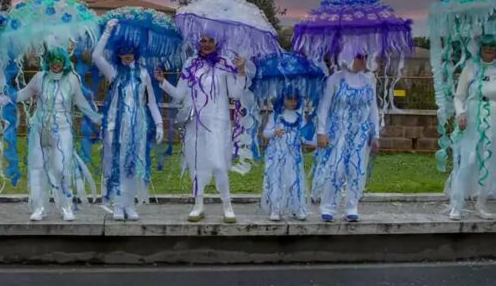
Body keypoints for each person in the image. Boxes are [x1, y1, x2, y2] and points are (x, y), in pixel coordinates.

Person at [154, 36, 250, 223]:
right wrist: (163, 81)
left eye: (210, 41)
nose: (206, 44)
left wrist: (241, 71)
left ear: (217, 43)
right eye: (203, 41)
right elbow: (180, 94)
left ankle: (227, 205)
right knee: (197, 164)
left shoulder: (225, 63)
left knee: (219, 164)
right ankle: (198, 204)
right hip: (195, 124)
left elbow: (236, 94)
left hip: (218, 123)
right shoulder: (191, 63)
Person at [14, 47, 102, 222]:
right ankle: (40, 207)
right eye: (52, 60)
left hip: (63, 130)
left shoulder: (72, 79)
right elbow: (22, 94)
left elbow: (82, 104)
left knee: (62, 168)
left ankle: (65, 205)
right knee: (39, 168)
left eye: (59, 60)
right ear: (48, 62)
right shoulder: (40, 78)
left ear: (64, 62)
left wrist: (100, 119)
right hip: (40, 131)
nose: (56, 64)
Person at [93, 20, 164, 220]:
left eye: (130, 51)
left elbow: (150, 102)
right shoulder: (113, 72)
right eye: (123, 51)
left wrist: (159, 124)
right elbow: (96, 56)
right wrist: (107, 31)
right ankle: (116, 205)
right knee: (116, 163)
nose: (127, 54)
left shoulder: (143, 74)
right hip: (115, 126)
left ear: (135, 52)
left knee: (133, 164)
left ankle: (129, 205)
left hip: (138, 126)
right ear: (118, 53)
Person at [447, 35, 496, 220]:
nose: (488, 49)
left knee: (489, 160)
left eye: (492, 46)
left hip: (495, 119)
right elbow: (459, 96)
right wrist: (461, 113)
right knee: (468, 160)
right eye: (485, 46)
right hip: (472, 118)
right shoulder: (470, 68)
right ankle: (457, 204)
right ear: (480, 49)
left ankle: (481, 203)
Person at [311, 54, 380, 222]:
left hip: (360, 134)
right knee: (336, 168)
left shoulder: (368, 80)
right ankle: (328, 207)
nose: (363, 60)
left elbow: (373, 109)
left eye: (365, 56)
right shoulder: (335, 79)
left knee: (356, 169)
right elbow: (324, 106)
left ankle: (352, 207)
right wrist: (321, 131)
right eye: (359, 57)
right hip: (338, 132)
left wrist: (375, 133)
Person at [260, 86, 314, 221]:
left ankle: (297, 207)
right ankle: (276, 208)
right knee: (277, 180)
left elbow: (304, 137)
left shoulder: (300, 118)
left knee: (295, 181)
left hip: (294, 157)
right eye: (289, 99)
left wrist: (315, 142)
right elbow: (265, 133)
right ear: (283, 99)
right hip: (277, 155)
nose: (293, 102)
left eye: (295, 99)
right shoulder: (276, 116)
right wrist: (274, 132)